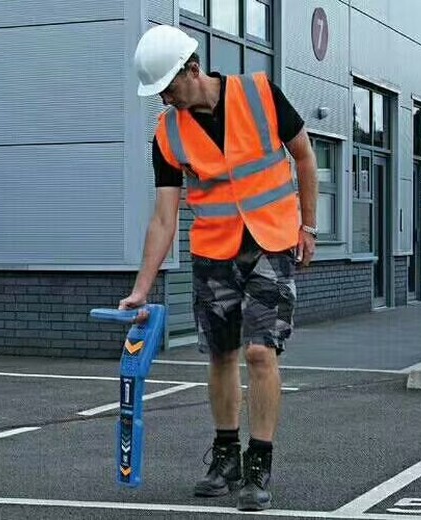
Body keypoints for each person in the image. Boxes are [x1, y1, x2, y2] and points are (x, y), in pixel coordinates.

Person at [119, 24, 318, 511]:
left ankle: (258, 463)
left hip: (271, 241)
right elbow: (164, 217)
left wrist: (308, 227)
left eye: (169, 87)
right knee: (221, 355)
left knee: (259, 352)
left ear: (192, 68)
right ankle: (226, 454)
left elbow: (305, 158)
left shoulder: (261, 93)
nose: (165, 99)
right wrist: (142, 288)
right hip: (213, 252)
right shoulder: (167, 134)